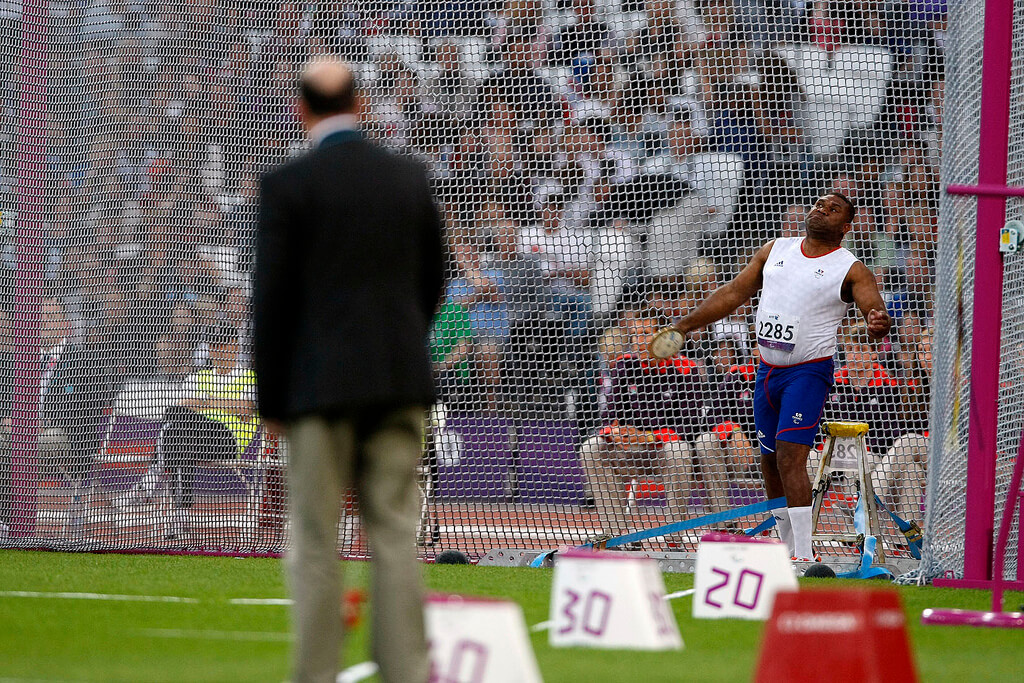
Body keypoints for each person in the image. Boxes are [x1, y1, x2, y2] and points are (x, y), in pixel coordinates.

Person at [253, 59, 444, 683]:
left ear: (301, 110)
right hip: (398, 381)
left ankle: (314, 674)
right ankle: (406, 673)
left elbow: (272, 301)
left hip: (318, 388)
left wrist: (272, 401)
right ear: (360, 105)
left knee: (314, 540)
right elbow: (431, 283)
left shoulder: (287, 184)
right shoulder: (409, 178)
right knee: (392, 530)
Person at [657, 192, 891, 561]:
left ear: (846, 227)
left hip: (808, 371)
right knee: (768, 460)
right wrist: (684, 326)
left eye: (832, 210)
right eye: (819, 203)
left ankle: (804, 553)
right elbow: (734, 293)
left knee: (789, 458)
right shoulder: (775, 249)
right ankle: (785, 548)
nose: (821, 210)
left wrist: (877, 320)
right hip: (766, 371)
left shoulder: (851, 268)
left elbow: (872, 309)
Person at [579, 310, 703, 539]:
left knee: (679, 450)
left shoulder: (687, 369)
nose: (637, 340)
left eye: (645, 333)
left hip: (663, 452)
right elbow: (608, 415)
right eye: (634, 334)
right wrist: (614, 432)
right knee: (591, 447)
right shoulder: (624, 365)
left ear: (664, 337)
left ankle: (673, 536)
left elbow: (689, 425)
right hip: (629, 449)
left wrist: (647, 437)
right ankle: (613, 533)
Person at [131, 324, 260, 539]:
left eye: (223, 345)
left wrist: (205, 401)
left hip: (228, 440)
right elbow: (181, 405)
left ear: (235, 347)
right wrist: (221, 404)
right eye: (214, 346)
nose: (218, 351)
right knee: (176, 438)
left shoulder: (249, 376)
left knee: (175, 427)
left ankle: (149, 482)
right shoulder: (199, 376)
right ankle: (179, 518)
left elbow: (245, 408)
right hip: (195, 438)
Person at [0, 297, 111, 538]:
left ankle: (7, 521)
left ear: (65, 325)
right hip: (18, 433)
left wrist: (42, 422)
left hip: (64, 438)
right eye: (41, 319)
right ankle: (5, 520)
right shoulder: (21, 360)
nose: (44, 324)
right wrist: (9, 419)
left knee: (19, 447)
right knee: (4, 441)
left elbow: (88, 406)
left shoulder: (83, 360)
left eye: (51, 318)